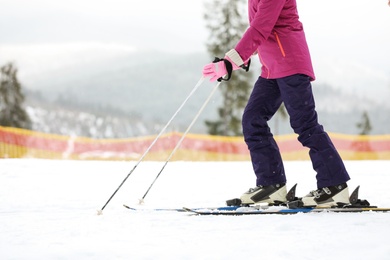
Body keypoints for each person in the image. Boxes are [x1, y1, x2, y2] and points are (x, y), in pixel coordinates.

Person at [202, 0, 351, 207]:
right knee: (253, 120)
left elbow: (260, 27)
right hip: (271, 69)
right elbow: (262, 31)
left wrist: (231, 61)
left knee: (305, 124)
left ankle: (335, 186)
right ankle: (272, 185)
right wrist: (240, 59)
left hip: (290, 63)